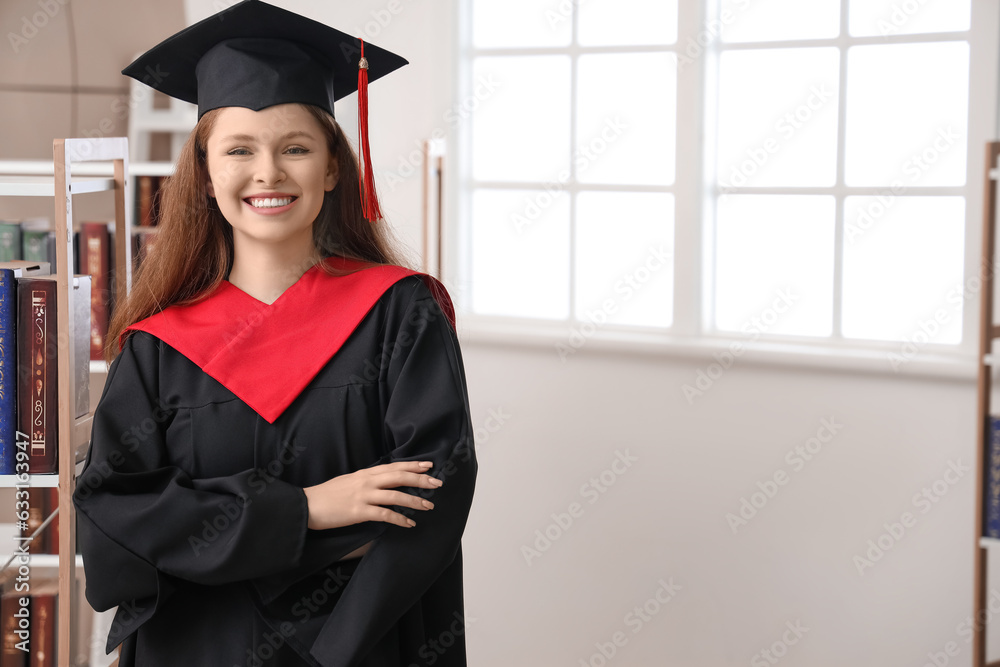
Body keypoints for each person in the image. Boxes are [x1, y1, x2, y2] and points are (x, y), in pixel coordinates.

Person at [70, 2, 477, 666]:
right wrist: (311, 510)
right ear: (205, 173)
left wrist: (202, 535)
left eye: (295, 147)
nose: (268, 172)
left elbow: (429, 507)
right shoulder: (157, 347)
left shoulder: (401, 316)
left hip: (360, 649)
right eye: (239, 150)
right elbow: (114, 527)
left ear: (333, 167)